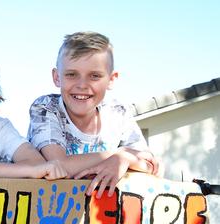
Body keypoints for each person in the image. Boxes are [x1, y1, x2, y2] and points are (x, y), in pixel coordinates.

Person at [27, 31, 160, 197]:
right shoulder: (46, 107)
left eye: (94, 76)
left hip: (100, 213)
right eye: (71, 74)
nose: (82, 85)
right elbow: (60, 165)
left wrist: (125, 160)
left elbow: (151, 165)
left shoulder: (118, 112)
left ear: (111, 79)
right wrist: (117, 155)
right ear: (57, 77)